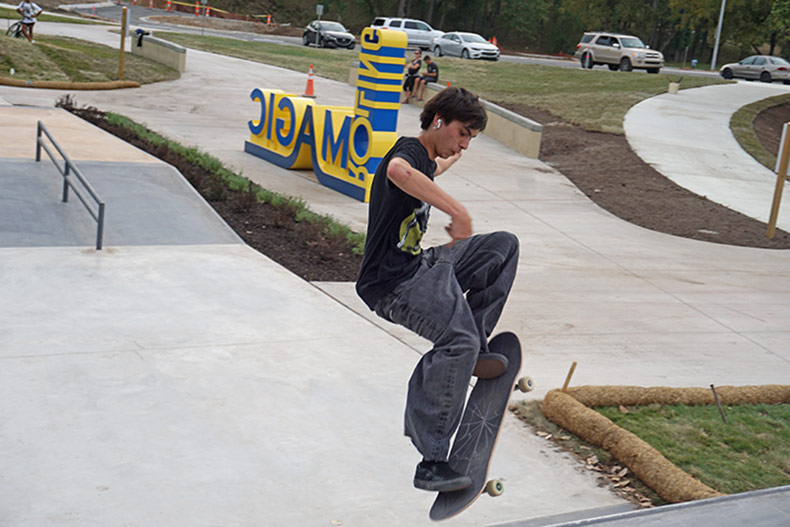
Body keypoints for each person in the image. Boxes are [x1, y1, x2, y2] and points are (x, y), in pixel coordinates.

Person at [356, 87, 519, 492]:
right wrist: (458, 211)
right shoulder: (409, 152)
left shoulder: (427, 160)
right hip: (391, 284)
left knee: (503, 245)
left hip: (421, 265)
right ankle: (430, 462)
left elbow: (431, 170)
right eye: (462, 134)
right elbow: (397, 172)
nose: (464, 144)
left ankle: (476, 349)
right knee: (454, 341)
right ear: (439, 121)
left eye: (471, 139)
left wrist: (451, 157)